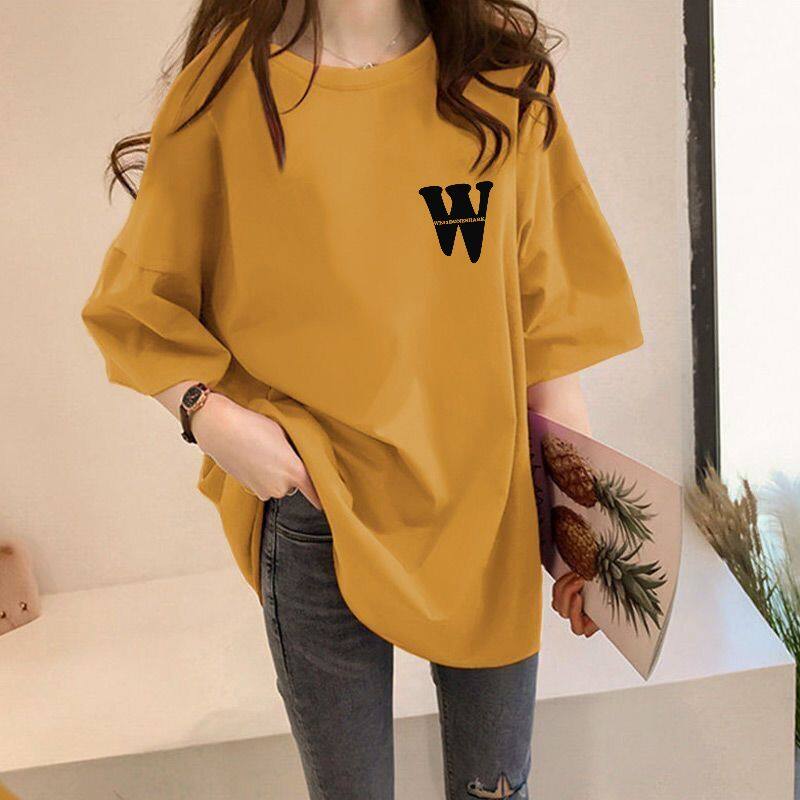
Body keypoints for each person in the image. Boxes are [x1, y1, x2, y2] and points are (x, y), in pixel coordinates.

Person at [80, 1, 645, 797]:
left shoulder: (503, 81)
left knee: (497, 790)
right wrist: (210, 416)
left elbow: (548, 331)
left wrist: (581, 529)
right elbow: (138, 301)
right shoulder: (230, 88)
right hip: (317, 509)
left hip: (486, 508)